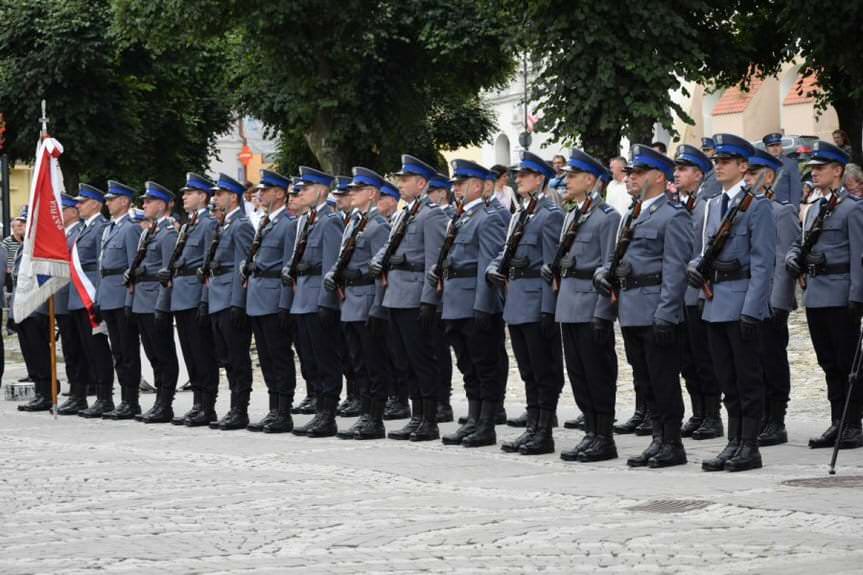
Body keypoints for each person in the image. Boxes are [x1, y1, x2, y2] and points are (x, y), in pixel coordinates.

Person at [595, 145, 692, 468]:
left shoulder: (672, 215)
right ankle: (657, 438)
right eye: (631, 173)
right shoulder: (632, 214)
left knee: (663, 378)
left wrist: (666, 313)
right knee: (644, 379)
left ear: (658, 177)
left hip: (655, 309)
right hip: (632, 308)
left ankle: (672, 442)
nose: (630, 178)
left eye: (638, 173)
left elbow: (676, 270)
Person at [688, 133, 776, 472]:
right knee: (726, 378)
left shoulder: (758, 206)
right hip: (714, 303)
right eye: (717, 161)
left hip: (742, 303)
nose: (719, 167)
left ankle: (749, 445)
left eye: (726, 162)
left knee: (747, 378)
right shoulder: (712, 205)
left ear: (743, 167)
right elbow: (702, 254)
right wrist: (697, 277)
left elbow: (763, 263)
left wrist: (752, 311)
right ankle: (733, 442)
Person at [786, 141, 863, 450]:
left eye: (820, 168)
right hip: (816, 295)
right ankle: (837, 421)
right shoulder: (815, 208)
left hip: (841, 294)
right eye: (813, 169)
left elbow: (859, 256)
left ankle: (853, 423)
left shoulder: (852, 209)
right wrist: (796, 257)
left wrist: (857, 296)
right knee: (828, 362)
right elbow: (802, 243)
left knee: (849, 363)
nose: (814, 173)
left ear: (838, 171)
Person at [487, 151, 564, 455]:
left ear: (540, 179)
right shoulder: (522, 213)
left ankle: (543, 431)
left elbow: (549, 266)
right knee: (528, 370)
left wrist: (548, 308)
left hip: (535, 301)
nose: (518, 179)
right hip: (517, 300)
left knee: (543, 369)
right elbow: (506, 251)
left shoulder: (550, 214)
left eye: (524, 175)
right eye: (517, 175)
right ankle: (533, 426)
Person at [369, 154, 448, 442]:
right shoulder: (405, 213)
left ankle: (428, 418)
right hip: (396, 295)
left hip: (415, 294)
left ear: (422, 183)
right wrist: (378, 261)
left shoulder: (432, 215)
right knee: (404, 361)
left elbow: (434, 261)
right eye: (400, 180)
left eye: (405, 180)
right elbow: (389, 246)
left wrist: (429, 298)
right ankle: (416, 416)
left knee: (422, 359)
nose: (400, 184)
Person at [550, 150, 621, 462]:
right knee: (578, 373)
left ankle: (604, 436)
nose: (566, 181)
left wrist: (602, 313)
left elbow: (609, 266)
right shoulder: (572, 215)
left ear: (590, 181)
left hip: (590, 303)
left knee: (597, 373)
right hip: (568, 303)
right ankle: (590, 431)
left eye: (573, 176)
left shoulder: (607, 218)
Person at [432, 159, 506, 447]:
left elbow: (487, 265)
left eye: (461, 184)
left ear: (477, 186)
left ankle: (486, 423)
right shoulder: (459, 217)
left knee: (484, 365)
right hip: (454, 301)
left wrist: (483, 306)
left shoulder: (488, 218)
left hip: (474, 304)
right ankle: (474, 418)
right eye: (455, 184)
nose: (457, 189)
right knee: (467, 365)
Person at [324, 167, 392, 440]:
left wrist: (377, 307)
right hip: (350, 302)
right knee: (358, 363)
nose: (350, 194)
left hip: (366, 300)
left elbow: (380, 272)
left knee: (373, 363)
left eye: (356, 189)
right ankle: (365, 412)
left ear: (371, 194)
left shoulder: (378, 226)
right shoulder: (354, 223)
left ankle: (374, 417)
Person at [284, 166, 345, 438]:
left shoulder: (329, 221)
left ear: (321, 191)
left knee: (325, 360)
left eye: (306, 188)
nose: (300, 193)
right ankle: (319, 408)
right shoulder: (307, 221)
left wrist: (326, 302)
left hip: (317, 298)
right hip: (302, 298)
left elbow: (331, 265)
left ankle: (327, 414)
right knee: (310, 360)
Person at [745, 149, 799, 447]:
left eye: (753, 174)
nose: (748, 179)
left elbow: (784, 260)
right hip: (752, 298)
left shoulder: (783, 211)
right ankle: (764, 415)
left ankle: (777, 419)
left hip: (772, 301)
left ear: (768, 177)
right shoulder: (749, 210)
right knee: (756, 360)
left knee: (773, 359)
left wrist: (778, 302)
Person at [159, 174, 220, 426]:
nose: (183, 197)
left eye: (189, 193)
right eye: (184, 193)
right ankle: (197, 402)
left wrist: (205, 299)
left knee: (203, 353)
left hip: (195, 295)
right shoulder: (188, 224)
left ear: (202, 196)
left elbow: (207, 265)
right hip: (181, 296)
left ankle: (207, 405)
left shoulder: (208, 224)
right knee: (190, 354)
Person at [673, 145, 724, 440]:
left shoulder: (707, 203)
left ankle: (712, 415)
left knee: (703, 358)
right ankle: (698, 411)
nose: (677, 174)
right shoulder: (684, 203)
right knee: (687, 359)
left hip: (697, 291)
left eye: (683, 169)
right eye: (677, 169)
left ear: (698, 174)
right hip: (681, 290)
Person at [198, 174, 255, 427]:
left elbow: (241, 267)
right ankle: (233, 408)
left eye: (219, 194)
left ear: (233, 197)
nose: (214, 199)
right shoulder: (223, 225)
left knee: (237, 357)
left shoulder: (241, 225)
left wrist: (238, 302)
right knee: (226, 358)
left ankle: (239, 409)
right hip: (217, 297)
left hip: (230, 298)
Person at [126, 182, 180, 423]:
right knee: (152, 355)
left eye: (148, 201)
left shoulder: (168, 234)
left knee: (163, 354)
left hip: (155, 302)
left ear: (161, 205)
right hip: (142, 301)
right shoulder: (151, 232)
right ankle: (160, 399)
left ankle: (165, 403)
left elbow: (168, 275)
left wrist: (162, 305)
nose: (144, 205)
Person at [95, 181, 144, 420]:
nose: (107, 203)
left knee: (128, 350)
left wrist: (129, 299)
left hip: (122, 295)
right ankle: (124, 398)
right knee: (118, 351)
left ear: (124, 201)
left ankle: (130, 400)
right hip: (108, 295)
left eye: (111, 199)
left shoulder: (130, 229)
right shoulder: (110, 229)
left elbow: (132, 267)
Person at [73, 185, 116, 418]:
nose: (78, 205)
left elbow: (101, 264)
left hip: (91, 295)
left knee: (98, 349)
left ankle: (105, 397)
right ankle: (95, 395)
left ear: (96, 204)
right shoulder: (84, 228)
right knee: (87, 350)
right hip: (80, 295)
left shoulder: (100, 227)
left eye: (83, 201)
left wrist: (98, 295)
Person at [54, 194, 91, 415]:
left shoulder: (77, 233)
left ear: (73, 212)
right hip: (64, 299)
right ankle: (75, 392)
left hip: (77, 297)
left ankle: (81, 393)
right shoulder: (63, 235)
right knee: (70, 350)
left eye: (63, 209)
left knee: (79, 349)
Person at [331, 176, 362, 418]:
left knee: (360, 353)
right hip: (346, 294)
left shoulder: (358, 222)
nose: (342, 199)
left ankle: (361, 396)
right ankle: (354, 395)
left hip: (359, 293)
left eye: (345, 195)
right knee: (347, 351)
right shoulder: (348, 221)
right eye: (342, 195)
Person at [426, 173, 455, 423]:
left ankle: (443, 401)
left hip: (442, 295)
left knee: (438, 349)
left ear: (442, 193)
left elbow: (437, 258)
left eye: (431, 191)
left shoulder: (440, 216)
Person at [12, 238, 52, 412]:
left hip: (35, 306)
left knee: (39, 352)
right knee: (30, 353)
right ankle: (39, 392)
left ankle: (46, 393)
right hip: (22, 305)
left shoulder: (41, 243)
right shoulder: (25, 245)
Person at [763, 132, 803, 207]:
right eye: (771, 146)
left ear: (781, 146)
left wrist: (794, 210)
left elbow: (796, 190)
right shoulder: (762, 166)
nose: (775, 148)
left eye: (777, 145)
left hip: (784, 209)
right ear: (766, 148)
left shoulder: (790, 164)